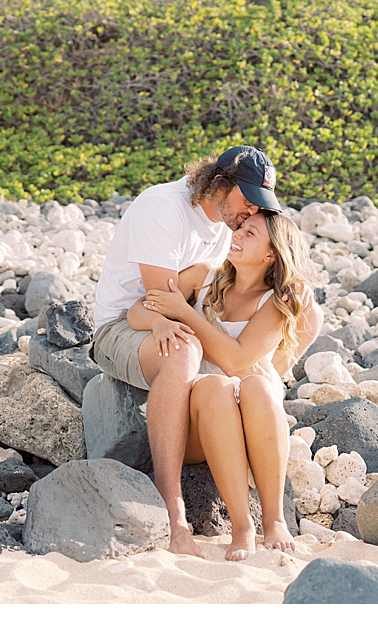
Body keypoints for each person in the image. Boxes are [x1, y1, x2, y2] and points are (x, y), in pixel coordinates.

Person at [90, 145, 282, 557]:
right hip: (123, 324)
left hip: (172, 320)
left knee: (254, 380)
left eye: (257, 204)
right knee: (183, 351)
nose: (250, 212)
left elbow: (196, 301)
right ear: (218, 183)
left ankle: (269, 518)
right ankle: (172, 508)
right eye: (246, 199)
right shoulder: (163, 207)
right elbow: (156, 307)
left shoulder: (224, 227)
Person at [136, 210, 320, 560]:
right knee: (214, 386)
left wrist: (186, 313)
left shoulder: (276, 301)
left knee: (259, 386)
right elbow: (136, 311)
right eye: (239, 227)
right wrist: (159, 322)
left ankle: (274, 518)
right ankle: (242, 525)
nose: (235, 233)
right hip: (198, 422)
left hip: (254, 418)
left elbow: (235, 359)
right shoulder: (205, 277)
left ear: (270, 255)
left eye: (249, 233)